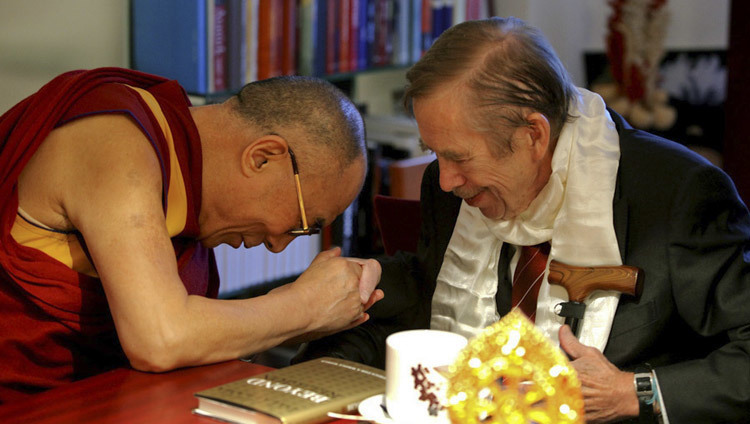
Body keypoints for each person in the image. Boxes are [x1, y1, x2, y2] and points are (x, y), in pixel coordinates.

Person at [296, 17, 750, 423]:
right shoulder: (451, 184)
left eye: (458, 156)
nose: (446, 178)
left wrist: (635, 393)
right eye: (435, 153)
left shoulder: (678, 194)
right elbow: (436, 293)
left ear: (534, 134)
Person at [0, 67, 383, 403]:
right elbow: (160, 338)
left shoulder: (185, 195)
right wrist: (305, 307)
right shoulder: (116, 140)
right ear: (262, 156)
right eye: (304, 223)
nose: (278, 244)